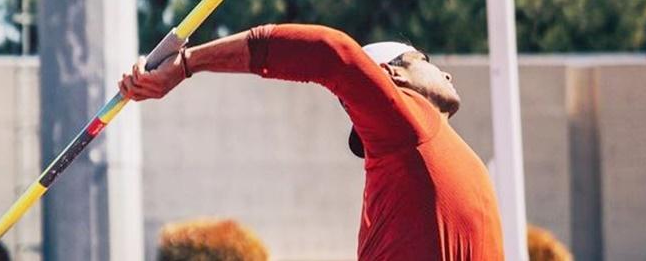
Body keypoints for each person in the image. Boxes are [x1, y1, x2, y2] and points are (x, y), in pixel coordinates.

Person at [119, 23, 504, 261]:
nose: (445, 73)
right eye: (425, 59)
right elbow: (329, 52)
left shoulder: (431, 150)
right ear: (392, 76)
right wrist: (188, 64)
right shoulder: (411, 128)